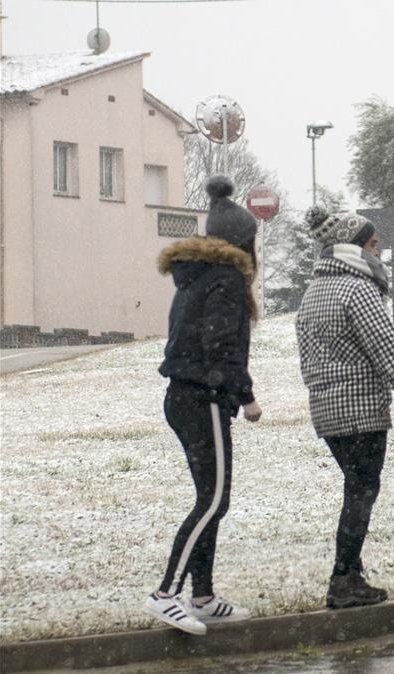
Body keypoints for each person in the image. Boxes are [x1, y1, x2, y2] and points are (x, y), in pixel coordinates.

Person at [145, 175, 262, 635]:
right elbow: (220, 345)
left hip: (185, 394)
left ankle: (203, 595)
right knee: (212, 501)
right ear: (242, 241)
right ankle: (166, 594)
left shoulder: (194, 277)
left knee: (212, 499)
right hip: (203, 396)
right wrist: (245, 395)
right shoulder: (227, 279)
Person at [296, 206, 394, 610]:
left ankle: (350, 574)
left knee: (356, 488)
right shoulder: (359, 290)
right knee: (361, 490)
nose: (379, 254)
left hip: (325, 410)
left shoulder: (314, 292)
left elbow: (308, 359)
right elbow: (386, 347)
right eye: (373, 245)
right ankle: (344, 577)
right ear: (353, 249)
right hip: (361, 409)